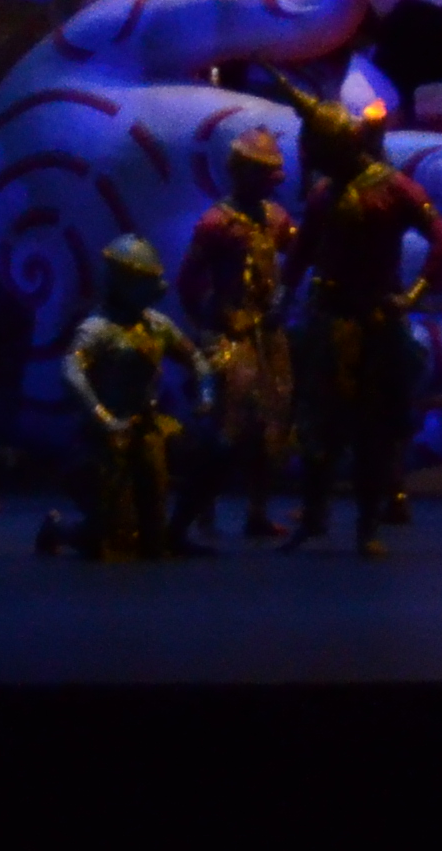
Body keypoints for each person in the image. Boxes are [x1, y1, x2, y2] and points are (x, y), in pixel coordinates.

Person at [284, 97, 442, 554]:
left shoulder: (393, 189)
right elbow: (302, 252)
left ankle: (367, 524)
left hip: (375, 318)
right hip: (330, 314)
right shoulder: (326, 194)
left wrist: (413, 295)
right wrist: (282, 299)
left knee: (376, 427)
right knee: (317, 422)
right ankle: (316, 516)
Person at [175, 125, 302, 540]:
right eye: (264, 173)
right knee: (224, 425)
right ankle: (203, 510)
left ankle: (257, 510)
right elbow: (188, 280)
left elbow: (300, 255)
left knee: (272, 424)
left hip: (268, 333)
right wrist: (206, 324)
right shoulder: (216, 223)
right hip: (228, 333)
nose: (272, 182)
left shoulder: (277, 219)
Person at [40, 237, 197, 561]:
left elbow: (194, 357)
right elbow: (72, 371)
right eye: (146, 279)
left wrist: (206, 391)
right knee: (117, 535)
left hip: (146, 430)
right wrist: (104, 418)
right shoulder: (97, 329)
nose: (157, 287)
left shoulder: (156, 324)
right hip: (105, 439)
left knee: (154, 533)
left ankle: (160, 528)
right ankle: (60, 530)